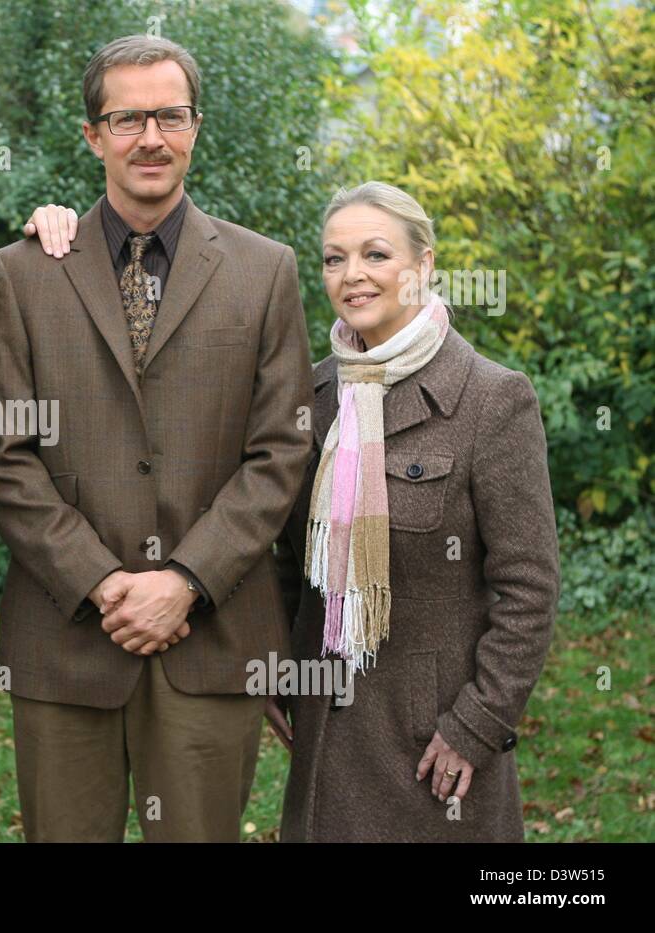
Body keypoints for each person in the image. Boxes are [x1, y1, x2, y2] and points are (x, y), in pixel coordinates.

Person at [0, 35, 314, 842]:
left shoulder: (265, 271)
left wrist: (186, 579)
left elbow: (282, 452)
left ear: (197, 126)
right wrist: (102, 582)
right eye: (128, 118)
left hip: (213, 634)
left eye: (171, 115)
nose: (151, 137)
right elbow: (5, 453)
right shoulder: (23, 274)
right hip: (66, 640)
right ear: (92, 135)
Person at [269, 181, 559, 841]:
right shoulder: (312, 396)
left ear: (424, 264)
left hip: (437, 747)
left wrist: (477, 724)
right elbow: (288, 559)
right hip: (329, 732)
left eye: (376, 253)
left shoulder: (492, 399)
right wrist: (278, 667)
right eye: (334, 258)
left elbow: (529, 587)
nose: (353, 275)